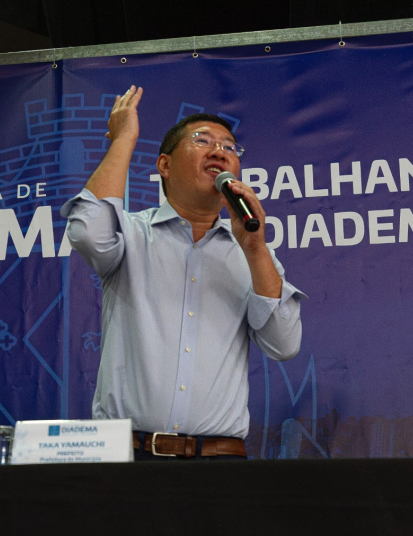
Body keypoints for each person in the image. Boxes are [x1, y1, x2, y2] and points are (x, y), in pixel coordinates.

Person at [61, 87, 305, 460]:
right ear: (164, 165)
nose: (219, 151)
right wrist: (124, 140)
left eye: (229, 147)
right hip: (130, 457)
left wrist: (256, 249)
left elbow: (284, 345)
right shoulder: (132, 234)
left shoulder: (252, 251)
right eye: (202, 140)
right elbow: (87, 232)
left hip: (219, 460)